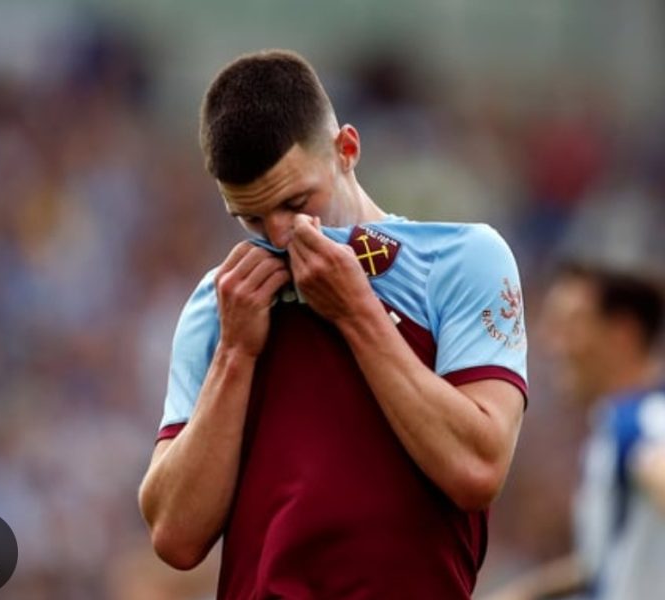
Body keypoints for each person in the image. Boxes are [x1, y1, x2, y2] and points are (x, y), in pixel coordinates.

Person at [138, 49, 528, 599]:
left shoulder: (463, 259)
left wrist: (355, 312)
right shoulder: (224, 299)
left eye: (297, 202)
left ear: (347, 149)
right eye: (250, 218)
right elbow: (175, 537)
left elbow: (477, 470)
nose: (279, 235)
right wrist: (235, 354)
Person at [485, 237, 665, 597]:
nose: (552, 343)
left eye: (570, 325)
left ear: (622, 333)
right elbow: (605, 560)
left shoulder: (642, 421)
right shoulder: (616, 425)